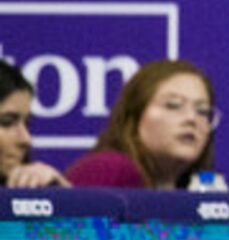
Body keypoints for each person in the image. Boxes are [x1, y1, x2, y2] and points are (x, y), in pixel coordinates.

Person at [60, 59, 219, 188]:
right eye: (173, 105)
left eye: (203, 111)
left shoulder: (202, 190)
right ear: (135, 116)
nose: (191, 119)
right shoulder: (110, 169)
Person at [0, 59, 71, 189]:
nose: (26, 140)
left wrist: (60, 195)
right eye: (7, 122)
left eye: (27, 124)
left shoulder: (33, 188)